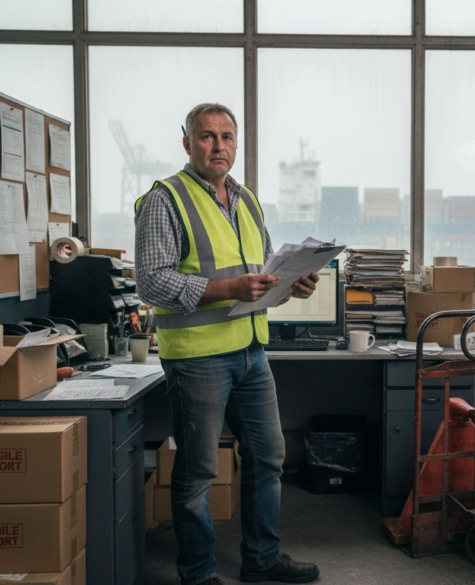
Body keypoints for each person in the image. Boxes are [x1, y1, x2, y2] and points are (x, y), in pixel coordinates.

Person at [134, 103, 320, 585]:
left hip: (251, 353)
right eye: (207, 136)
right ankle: (197, 574)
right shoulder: (165, 199)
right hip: (198, 358)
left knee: (268, 456)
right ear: (187, 143)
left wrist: (289, 285)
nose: (218, 146)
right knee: (197, 473)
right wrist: (229, 289)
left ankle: (261, 559)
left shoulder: (247, 199)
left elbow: (260, 275)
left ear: (237, 143)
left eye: (227, 137)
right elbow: (151, 283)